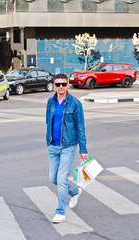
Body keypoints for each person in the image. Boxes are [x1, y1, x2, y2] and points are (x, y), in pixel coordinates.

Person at [46, 73, 88, 223]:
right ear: (54, 86)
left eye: (64, 84)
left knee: (62, 178)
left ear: (68, 84)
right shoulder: (50, 102)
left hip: (68, 147)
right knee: (53, 179)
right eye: (58, 84)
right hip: (53, 146)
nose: (61, 87)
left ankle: (60, 211)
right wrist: (48, 142)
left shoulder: (75, 104)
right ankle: (75, 191)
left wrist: (83, 150)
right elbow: (48, 123)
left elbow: (80, 128)